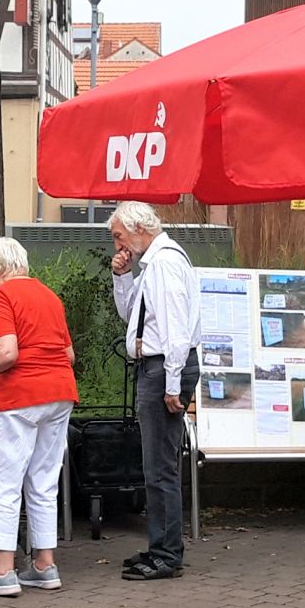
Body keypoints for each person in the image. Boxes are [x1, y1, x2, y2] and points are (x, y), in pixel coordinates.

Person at [0, 237, 78, 597]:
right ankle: (44, 564)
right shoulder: (49, 296)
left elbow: (7, 351)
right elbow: (69, 355)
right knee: (44, 480)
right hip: (61, 392)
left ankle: (2, 570)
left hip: (21, 396)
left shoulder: (2, 296)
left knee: (6, 480)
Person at [108, 201, 201, 582]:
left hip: (163, 365)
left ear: (138, 229)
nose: (117, 245)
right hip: (160, 364)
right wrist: (123, 278)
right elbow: (135, 317)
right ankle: (162, 545)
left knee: (160, 465)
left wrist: (173, 381)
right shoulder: (156, 263)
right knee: (156, 464)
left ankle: (167, 553)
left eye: (118, 236)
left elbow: (175, 326)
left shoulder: (164, 263)